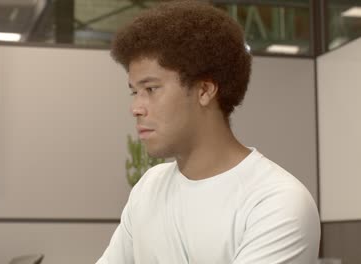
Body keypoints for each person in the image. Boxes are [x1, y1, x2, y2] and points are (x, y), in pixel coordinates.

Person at [97, 1, 321, 263]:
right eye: (134, 92)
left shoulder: (277, 202)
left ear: (204, 91)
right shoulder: (148, 188)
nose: (136, 108)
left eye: (151, 89)